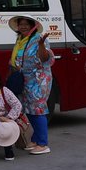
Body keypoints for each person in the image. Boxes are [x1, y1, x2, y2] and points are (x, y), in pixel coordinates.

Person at [9, 15, 53, 155]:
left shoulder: (38, 39)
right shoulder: (20, 40)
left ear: (32, 25)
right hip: (25, 79)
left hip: (38, 79)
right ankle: (35, 139)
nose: (22, 26)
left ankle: (43, 143)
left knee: (38, 109)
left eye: (26, 24)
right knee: (29, 109)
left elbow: (44, 58)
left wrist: (41, 45)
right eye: (20, 24)